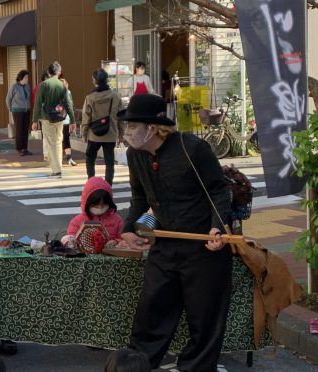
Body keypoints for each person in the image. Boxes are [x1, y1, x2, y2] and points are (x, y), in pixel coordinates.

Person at [118, 94, 231, 372]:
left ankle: (196, 367)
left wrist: (217, 226)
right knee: (152, 307)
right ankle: (138, 364)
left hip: (203, 245)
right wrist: (128, 227)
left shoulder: (192, 148)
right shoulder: (135, 155)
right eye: (127, 126)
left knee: (204, 315)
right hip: (165, 244)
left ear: (153, 128)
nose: (128, 132)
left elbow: (219, 189)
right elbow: (139, 197)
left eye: (133, 126)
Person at [32, 61, 75, 178]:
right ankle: (58, 166)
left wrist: (35, 120)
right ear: (59, 72)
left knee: (51, 143)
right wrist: (73, 120)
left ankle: (56, 170)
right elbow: (68, 104)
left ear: (48, 72)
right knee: (58, 142)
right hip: (60, 117)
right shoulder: (62, 85)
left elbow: (37, 103)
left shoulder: (44, 85)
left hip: (46, 118)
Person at [81, 69, 123, 184]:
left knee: (90, 158)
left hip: (94, 134)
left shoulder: (90, 98)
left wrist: (84, 133)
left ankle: (91, 181)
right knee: (109, 161)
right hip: (110, 133)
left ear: (95, 81)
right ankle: (108, 184)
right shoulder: (116, 96)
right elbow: (121, 117)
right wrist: (121, 134)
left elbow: (86, 118)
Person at [66, 177, 123, 251]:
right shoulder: (77, 221)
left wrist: (116, 242)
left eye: (104, 204)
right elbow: (70, 238)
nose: (100, 207)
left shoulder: (117, 220)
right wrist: (72, 242)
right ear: (87, 202)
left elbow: (123, 239)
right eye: (95, 204)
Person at [6, 70, 32, 156]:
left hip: (26, 110)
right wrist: (11, 109)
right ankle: (19, 148)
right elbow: (8, 99)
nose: (27, 79)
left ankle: (25, 148)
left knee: (26, 130)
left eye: (28, 77)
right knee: (19, 129)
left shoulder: (27, 86)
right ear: (21, 78)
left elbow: (28, 98)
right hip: (17, 111)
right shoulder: (13, 87)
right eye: (26, 77)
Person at [30, 72, 50, 160]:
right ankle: (51, 154)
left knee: (45, 135)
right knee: (53, 136)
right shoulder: (55, 85)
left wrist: (35, 119)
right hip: (54, 115)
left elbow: (35, 102)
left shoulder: (39, 86)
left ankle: (46, 154)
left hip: (43, 115)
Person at [58, 75, 77, 166]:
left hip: (57, 120)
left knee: (59, 140)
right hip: (65, 119)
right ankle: (69, 158)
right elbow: (71, 107)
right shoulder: (68, 92)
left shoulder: (54, 93)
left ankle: (60, 159)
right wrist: (73, 121)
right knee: (66, 139)